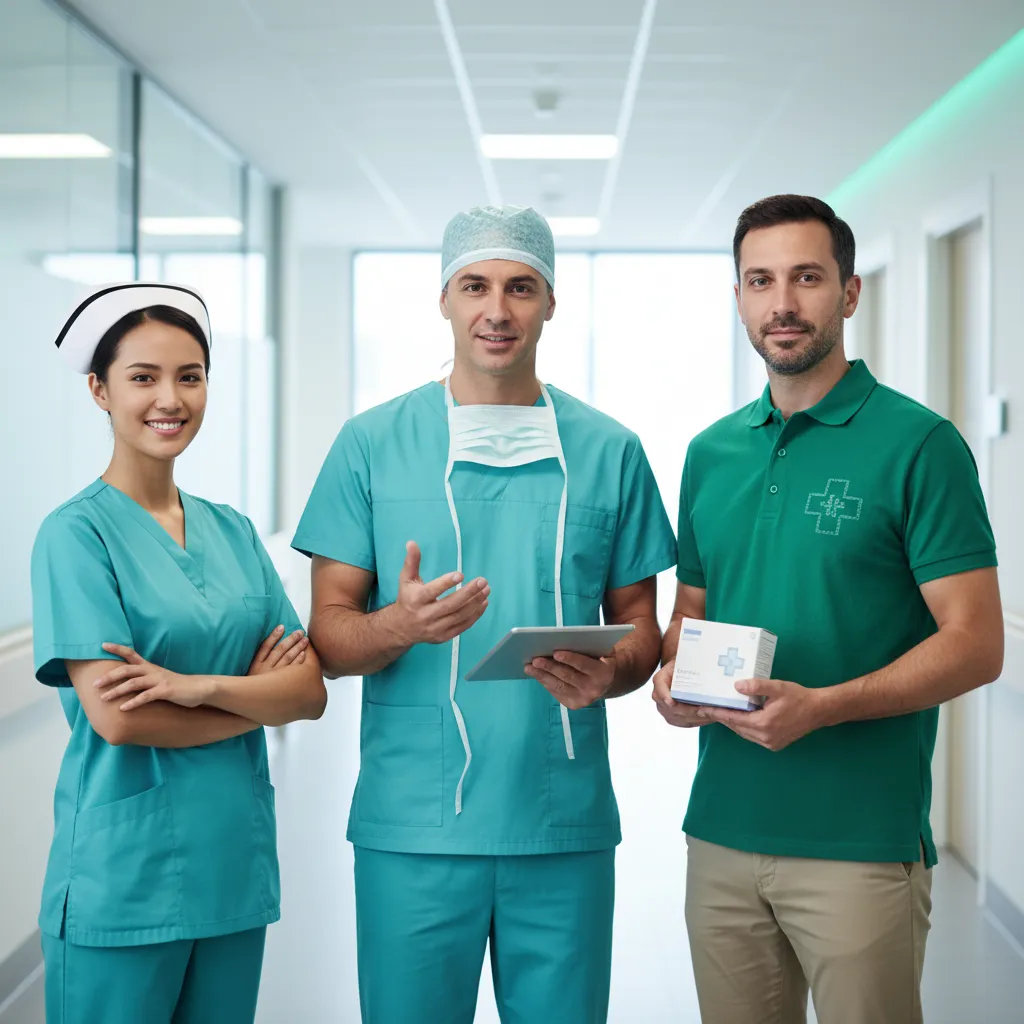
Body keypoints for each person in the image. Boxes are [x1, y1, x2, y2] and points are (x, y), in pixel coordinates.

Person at [293, 205, 677, 1023]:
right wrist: (400, 626)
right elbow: (328, 635)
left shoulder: (610, 451)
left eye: (520, 287)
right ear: (443, 299)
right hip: (414, 833)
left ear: (550, 302)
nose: (496, 311)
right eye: (475, 286)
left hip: (561, 825)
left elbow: (643, 630)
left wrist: (609, 674)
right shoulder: (370, 444)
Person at [653, 195, 1004, 1024]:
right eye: (760, 280)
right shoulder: (710, 454)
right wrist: (674, 679)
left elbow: (978, 643)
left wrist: (825, 708)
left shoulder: (920, 445)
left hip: (858, 845)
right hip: (722, 834)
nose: (782, 303)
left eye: (807, 278)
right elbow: (691, 615)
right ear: (738, 296)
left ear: (849, 292)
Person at [31, 282, 328, 1024]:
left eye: (189, 376)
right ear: (99, 390)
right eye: (143, 377)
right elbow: (121, 719)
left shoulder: (233, 532)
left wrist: (193, 688)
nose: (171, 398)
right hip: (121, 877)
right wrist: (251, 699)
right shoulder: (75, 535)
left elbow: (309, 692)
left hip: (232, 870)